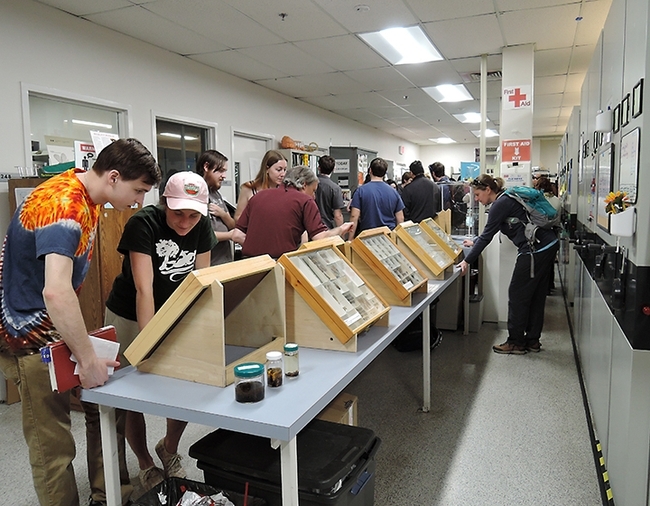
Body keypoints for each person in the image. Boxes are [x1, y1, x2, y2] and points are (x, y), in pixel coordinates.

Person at [0, 138, 160, 506]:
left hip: (52, 329)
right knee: (52, 445)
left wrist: (85, 349)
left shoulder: (84, 194)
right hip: (29, 338)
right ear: (114, 177)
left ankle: (109, 496)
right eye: (137, 191)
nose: (138, 201)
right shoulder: (65, 205)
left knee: (104, 405)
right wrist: (86, 358)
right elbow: (56, 291)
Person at [104, 171, 217, 494]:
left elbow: (201, 281)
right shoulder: (144, 223)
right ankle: (144, 464)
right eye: (178, 212)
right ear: (164, 202)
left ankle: (168, 447)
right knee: (132, 393)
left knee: (180, 386)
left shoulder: (202, 224)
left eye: (193, 214)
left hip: (174, 311)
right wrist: (148, 344)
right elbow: (144, 290)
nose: (185, 222)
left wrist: (200, 330)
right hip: (130, 313)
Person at [458, 174, 559, 355]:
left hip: (535, 250)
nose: (476, 198)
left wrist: (466, 261)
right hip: (548, 244)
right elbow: (493, 230)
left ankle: (516, 343)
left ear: (488, 190)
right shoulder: (506, 199)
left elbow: (487, 236)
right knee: (535, 295)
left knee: (517, 295)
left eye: (477, 194)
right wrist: (475, 243)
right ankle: (532, 341)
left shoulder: (500, 204)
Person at [235, 165, 352, 259]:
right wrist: (341, 229)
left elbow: (237, 235)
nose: (314, 196)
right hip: (281, 262)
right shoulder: (305, 201)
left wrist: (257, 249)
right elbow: (320, 238)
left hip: (249, 262)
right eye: (313, 191)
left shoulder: (258, 196)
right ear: (304, 185)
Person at [196, 150, 238, 265]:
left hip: (225, 260)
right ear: (206, 167)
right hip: (209, 263)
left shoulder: (215, 193)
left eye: (225, 171)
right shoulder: (197, 194)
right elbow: (200, 234)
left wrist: (223, 214)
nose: (224, 176)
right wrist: (230, 235)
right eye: (220, 171)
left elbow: (232, 225)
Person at [349, 157, 404, 237]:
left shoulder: (361, 191)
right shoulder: (394, 192)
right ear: (385, 173)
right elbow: (400, 218)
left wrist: (350, 239)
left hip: (367, 235)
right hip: (388, 235)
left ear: (370, 170)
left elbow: (354, 216)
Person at [233, 150, 287, 221]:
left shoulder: (285, 189)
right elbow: (238, 217)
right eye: (279, 170)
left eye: (285, 170)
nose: (283, 174)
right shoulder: (249, 188)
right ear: (267, 169)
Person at [315, 155, 345, 229]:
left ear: (319, 168)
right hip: (326, 228)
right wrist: (342, 234)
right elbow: (337, 215)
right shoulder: (335, 188)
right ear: (333, 169)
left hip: (309, 228)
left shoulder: (309, 184)